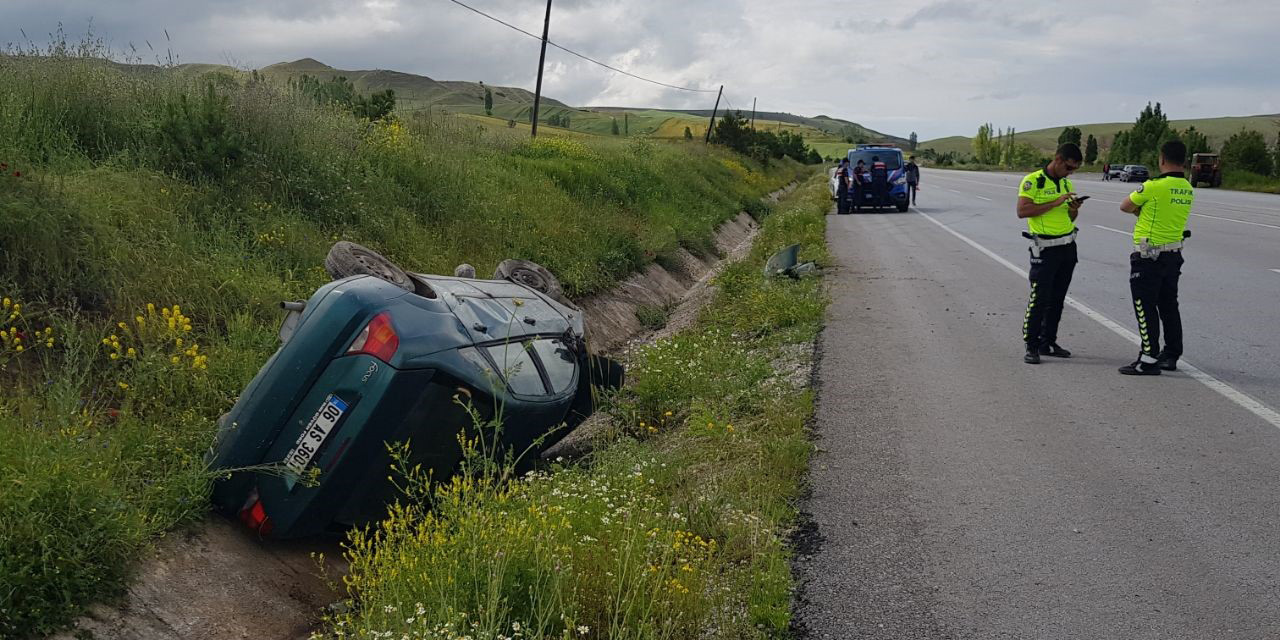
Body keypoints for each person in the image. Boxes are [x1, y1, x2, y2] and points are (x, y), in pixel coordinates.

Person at [1117, 140, 1194, 376]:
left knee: (1144, 305)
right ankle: (1171, 354)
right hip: (1173, 254)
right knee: (1169, 305)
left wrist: (1142, 211)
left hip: (1149, 256)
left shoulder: (1153, 186)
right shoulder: (1187, 188)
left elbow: (1125, 206)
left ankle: (1148, 358)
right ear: (1184, 160)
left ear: (1162, 159)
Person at [1016, 143, 1084, 364]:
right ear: (1057, 159)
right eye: (1068, 167)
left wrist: (1073, 209)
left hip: (1067, 247)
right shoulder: (1033, 181)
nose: (1070, 172)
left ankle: (1048, 342)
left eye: (1074, 169)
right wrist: (1055, 202)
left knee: (1057, 299)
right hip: (1044, 248)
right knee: (1039, 298)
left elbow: (1068, 218)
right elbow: (1022, 211)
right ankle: (1032, 345)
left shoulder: (1066, 183)